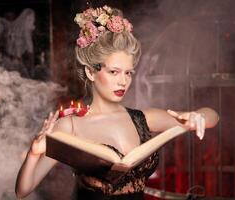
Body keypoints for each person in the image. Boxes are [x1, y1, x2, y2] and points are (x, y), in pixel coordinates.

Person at [15, 5, 219, 199]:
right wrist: (34, 153)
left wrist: (197, 116)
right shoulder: (70, 125)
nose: (123, 81)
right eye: (114, 72)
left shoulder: (142, 118)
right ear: (90, 72)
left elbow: (213, 117)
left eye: (128, 73)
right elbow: (23, 190)